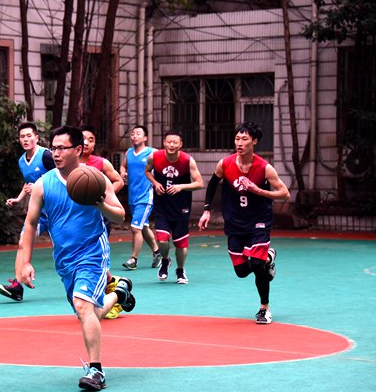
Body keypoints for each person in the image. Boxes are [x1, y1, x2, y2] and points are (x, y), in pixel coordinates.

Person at [17, 125, 135, 391]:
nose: (56, 153)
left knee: (83, 306)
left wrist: (100, 204)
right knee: (89, 313)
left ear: (78, 149)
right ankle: (119, 294)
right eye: (53, 148)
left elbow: (120, 216)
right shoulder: (43, 184)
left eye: (62, 148)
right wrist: (25, 261)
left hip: (93, 252)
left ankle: (96, 371)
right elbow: (31, 223)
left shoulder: (95, 179)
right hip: (65, 259)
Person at [198, 122, 290, 324]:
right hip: (235, 223)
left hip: (259, 222)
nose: (239, 143)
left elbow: (285, 193)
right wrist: (206, 210)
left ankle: (264, 308)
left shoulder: (264, 168)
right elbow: (212, 184)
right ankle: (268, 258)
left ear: (254, 141)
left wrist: (258, 191)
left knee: (256, 264)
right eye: (237, 139)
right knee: (241, 272)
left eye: (244, 139)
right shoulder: (225, 164)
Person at [0, 122, 55, 301]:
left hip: (56, 210)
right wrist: (18, 198)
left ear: (36, 138)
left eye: (29, 136)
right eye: (22, 137)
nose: (26, 139)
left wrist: (38, 187)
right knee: (23, 242)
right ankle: (17, 287)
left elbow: (61, 177)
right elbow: (28, 183)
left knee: (66, 249)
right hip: (38, 212)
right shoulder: (22, 161)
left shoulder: (46, 156)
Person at [145, 130, 203, 283]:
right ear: (164, 143)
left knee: (180, 244)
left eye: (175, 142)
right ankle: (165, 260)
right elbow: (147, 171)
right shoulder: (154, 157)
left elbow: (199, 183)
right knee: (162, 240)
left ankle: (180, 270)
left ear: (180, 144)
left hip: (181, 207)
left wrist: (181, 187)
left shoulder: (187, 160)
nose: (171, 145)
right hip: (162, 205)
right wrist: (155, 183)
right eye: (169, 142)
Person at [80, 125, 125, 319]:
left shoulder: (101, 163)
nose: (86, 142)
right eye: (83, 138)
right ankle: (116, 286)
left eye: (90, 140)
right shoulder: (68, 164)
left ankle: (114, 296)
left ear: (94, 144)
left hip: (99, 217)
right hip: (79, 221)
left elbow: (118, 181)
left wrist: (104, 197)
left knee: (98, 258)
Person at [119, 125, 160, 270]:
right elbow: (123, 166)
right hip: (132, 197)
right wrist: (122, 172)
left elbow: (163, 166)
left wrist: (158, 182)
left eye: (138, 134)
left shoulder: (152, 153)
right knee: (143, 227)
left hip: (145, 197)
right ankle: (157, 252)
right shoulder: (129, 152)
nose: (134, 136)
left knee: (135, 227)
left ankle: (133, 259)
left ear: (145, 138)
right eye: (133, 134)